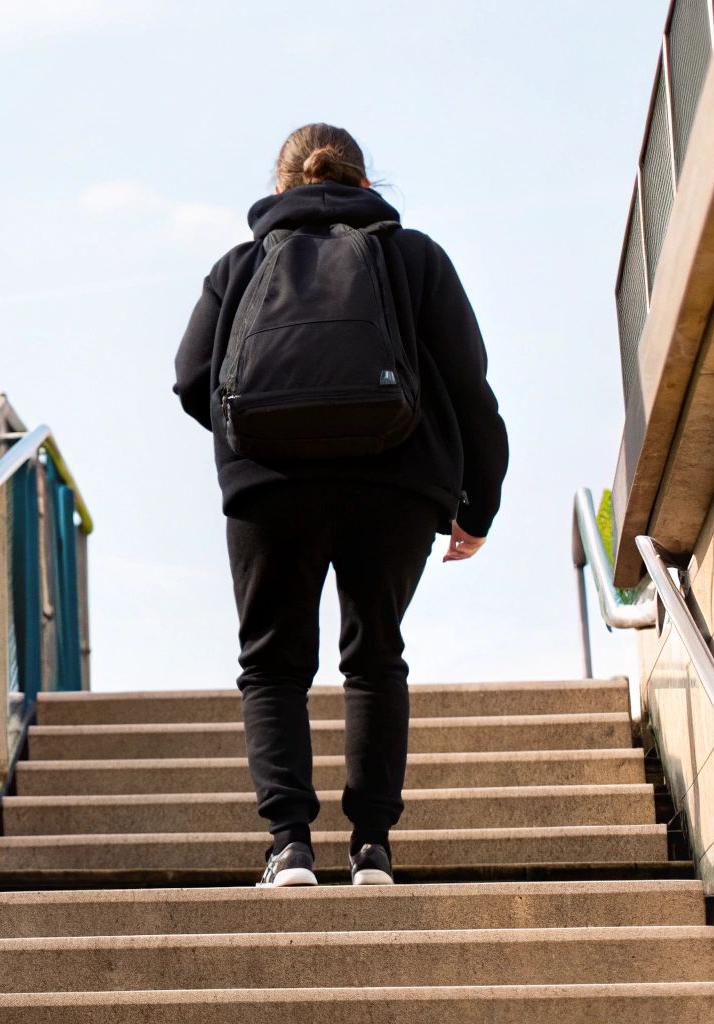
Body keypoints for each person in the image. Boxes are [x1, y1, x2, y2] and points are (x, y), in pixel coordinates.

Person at [172, 123, 508, 887]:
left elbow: (194, 377)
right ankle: (372, 849)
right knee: (375, 656)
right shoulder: (414, 256)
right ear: (364, 183)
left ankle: (289, 845)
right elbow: (468, 387)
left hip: (270, 487)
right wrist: (476, 503)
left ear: (281, 184)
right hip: (394, 484)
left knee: (272, 665)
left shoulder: (239, 266)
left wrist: (263, 429)